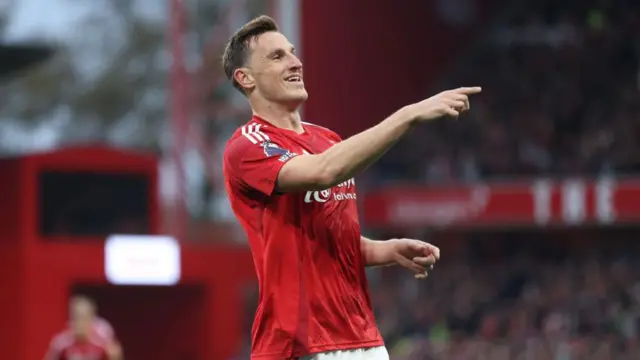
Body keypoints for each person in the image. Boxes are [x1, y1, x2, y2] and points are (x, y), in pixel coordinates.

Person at [221, 15, 481, 360]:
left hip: (363, 339)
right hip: (298, 343)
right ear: (245, 78)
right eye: (277, 56)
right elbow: (320, 173)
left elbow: (327, 237)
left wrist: (384, 250)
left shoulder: (328, 140)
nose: (295, 63)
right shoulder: (247, 146)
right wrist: (408, 115)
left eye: (293, 52)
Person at [44, 296, 123, 360]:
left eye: (83, 317)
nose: (79, 322)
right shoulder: (61, 343)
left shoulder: (103, 342)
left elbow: (115, 355)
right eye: (76, 317)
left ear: (91, 319)